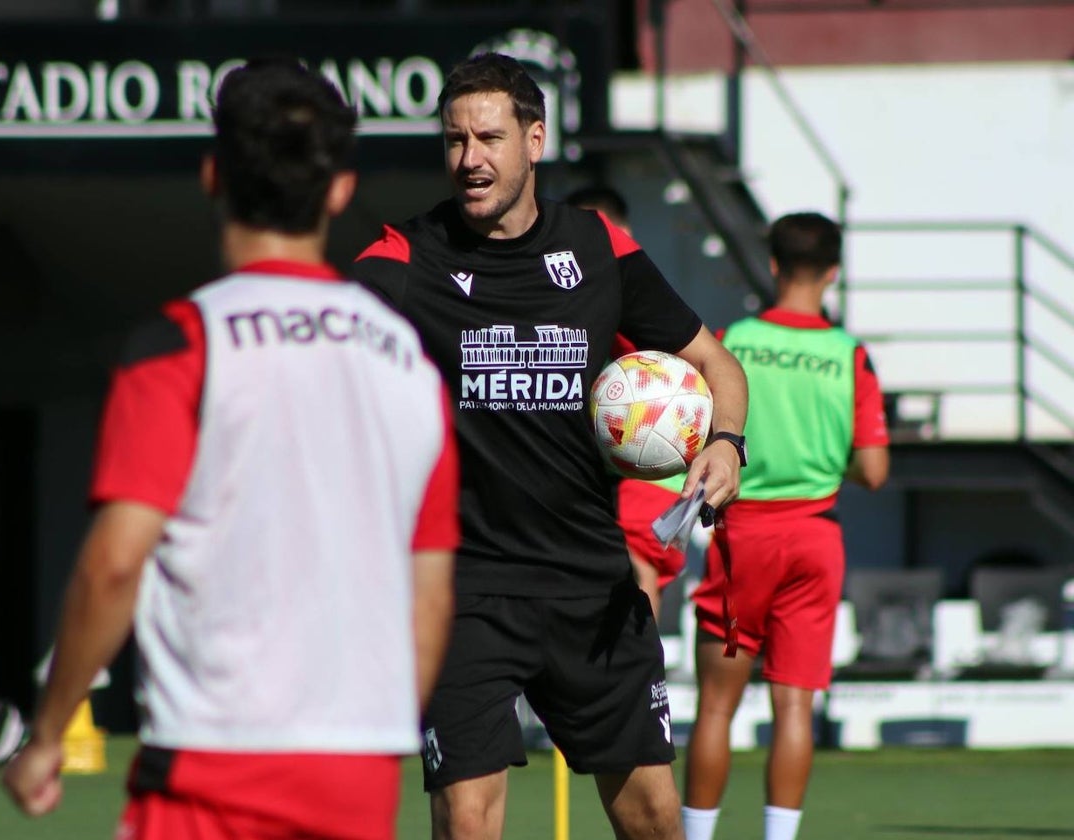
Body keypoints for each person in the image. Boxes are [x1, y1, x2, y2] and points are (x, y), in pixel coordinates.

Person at [0, 57, 460, 840]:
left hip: (209, 775)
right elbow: (429, 596)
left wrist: (47, 736)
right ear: (341, 189)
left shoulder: (181, 344)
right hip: (358, 781)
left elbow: (115, 562)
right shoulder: (410, 365)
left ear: (213, 176)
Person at [352, 53, 749, 840]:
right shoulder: (406, 256)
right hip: (463, 588)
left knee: (653, 820)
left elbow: (717, 364)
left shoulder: (599, 246)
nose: (470, 160)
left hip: (591, 583)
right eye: (455, 140)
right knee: (467, 819)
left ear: (535, 140)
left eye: (490, 138)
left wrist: (727, 444)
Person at [681, 212, 890, 840]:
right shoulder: (848, 354)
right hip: (815, 536)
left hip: (744, 537)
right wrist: (826, 459)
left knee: (716, 706)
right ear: (833, 272)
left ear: (772, 264)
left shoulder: (731, 340)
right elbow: (875, 471)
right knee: (794, 704)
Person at [564, 185, 692, 620]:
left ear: (625, 234)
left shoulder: (635, 303)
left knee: (634, 572)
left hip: (644, 467)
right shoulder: (569, 299)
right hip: (632, 475)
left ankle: (640, 681)